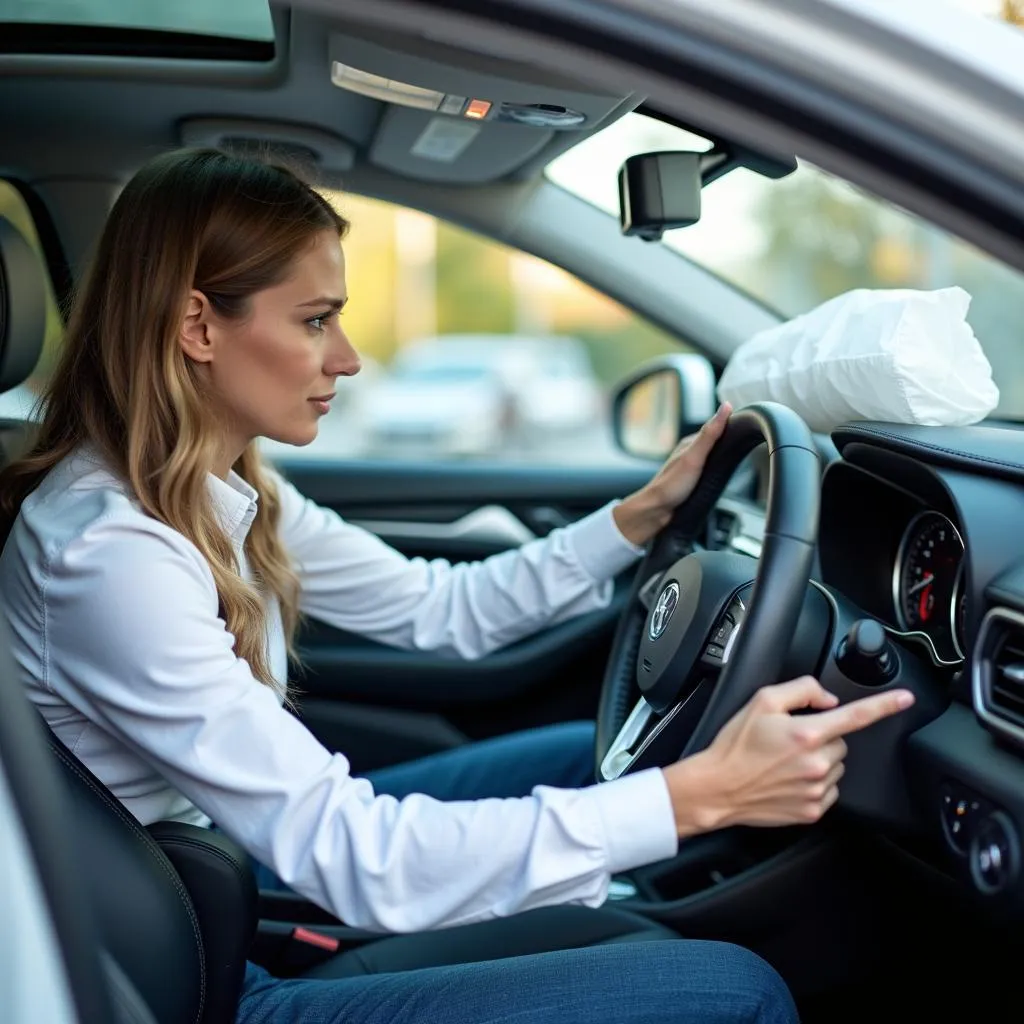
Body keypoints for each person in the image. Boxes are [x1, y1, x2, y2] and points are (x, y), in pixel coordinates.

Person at [0, 148, 914, 1024]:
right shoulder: (109, 555)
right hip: (199, 975)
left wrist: (637, 517)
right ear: (198, 326)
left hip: (212, 877)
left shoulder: (218, 486)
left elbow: (442, 611)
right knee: (736, 991)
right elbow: (356, 857)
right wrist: (701, 798)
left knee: (574, 754)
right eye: (316, 320)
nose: (349, 357)